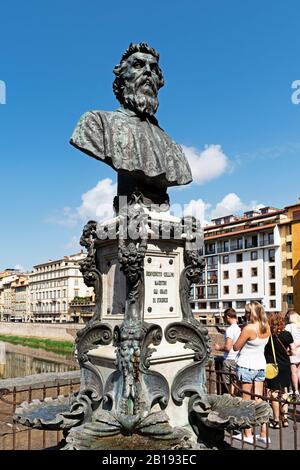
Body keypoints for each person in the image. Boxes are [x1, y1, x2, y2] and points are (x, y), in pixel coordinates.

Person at [70, 42, 192, 210]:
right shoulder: (96, 122)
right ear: (122, 80)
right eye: (138, 65)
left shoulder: (172, 146)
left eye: (154, 69)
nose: (148, 71)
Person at [232, 301, 271, 444]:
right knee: (259, 400)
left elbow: (236, 347)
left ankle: (248, 434)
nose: (245, 314)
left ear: (251, 313)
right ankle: (263, 434)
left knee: (246, 401)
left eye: (247, 312)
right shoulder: (266, 327)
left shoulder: (248, 328)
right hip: (261, 365)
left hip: (247, 366)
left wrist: (242, 331)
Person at [264, 312, 296, 428]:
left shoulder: (267, 336)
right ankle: (285, 418)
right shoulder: (287, 334)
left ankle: (276, 420)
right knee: (285, 391)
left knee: (274, 392)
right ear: (282, 322)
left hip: (272, 367)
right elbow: (293, 351)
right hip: (285, 366)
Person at [214, 308, 241, 393]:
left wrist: (218, 348)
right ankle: (236, 399)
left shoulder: (230, 329)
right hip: (238, 359)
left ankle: (231, 400)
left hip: (229, 360)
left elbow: (228, 347)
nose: (225, 320)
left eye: (225, 318)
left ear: (228, 317)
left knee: (229, 383)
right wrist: (224, 332)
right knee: (236, 382)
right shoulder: (239, 328)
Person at [285, 310, 300, 397]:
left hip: (293, 350)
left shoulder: (289, 326)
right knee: (299, 371)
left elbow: (286, 338)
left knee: (293, 371)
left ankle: (296, 390)